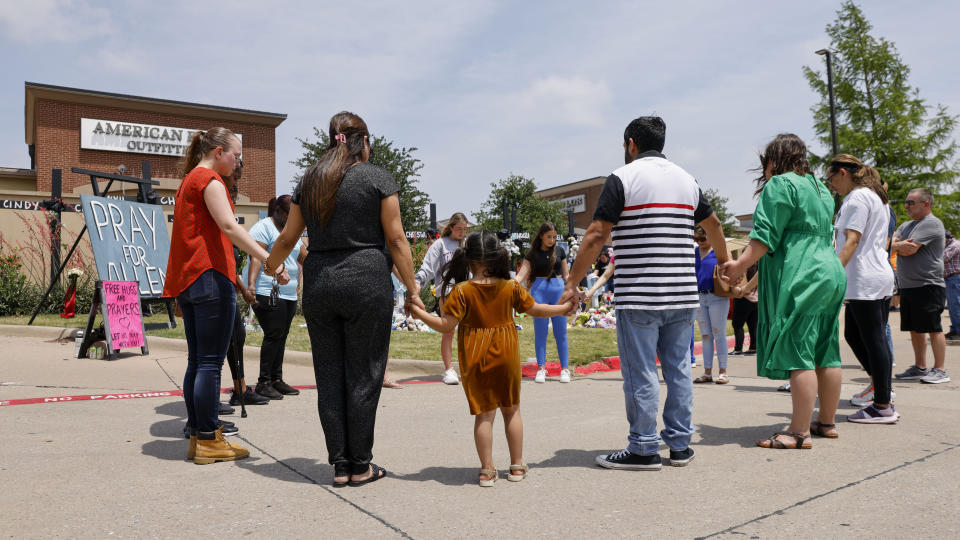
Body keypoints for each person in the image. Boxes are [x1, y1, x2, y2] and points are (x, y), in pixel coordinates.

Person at [561, 115, 729, 470]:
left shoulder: (622, 178)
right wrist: (726, 264)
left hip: (639, 295)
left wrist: (572, 283)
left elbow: (594, 234)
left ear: (631, 144)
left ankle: (643, 447)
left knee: (642, 373)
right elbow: (713, 224)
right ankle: (680, 445)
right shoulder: (688, 180)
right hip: (682, 295)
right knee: (679, 370)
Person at [265, 111, 421, 487]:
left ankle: (339, 464)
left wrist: (272, 268)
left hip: (320, 283)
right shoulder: (378, 177)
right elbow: (397, 239)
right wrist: (413, 290)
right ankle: (361, 465)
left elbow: (287, 239)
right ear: (362, 141)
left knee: (330, 374)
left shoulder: (311, 180)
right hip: (367, 280)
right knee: (364, 373)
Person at [406, 230, 573, 486]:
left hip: (475, 354)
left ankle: (487, 471)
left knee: (484, 414)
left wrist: (419, 314)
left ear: (468, 259)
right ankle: (516, 467)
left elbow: (444, 325)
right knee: (511, 409)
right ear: (498, 256)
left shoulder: (461, 292)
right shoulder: (510, 287)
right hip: (506, 352)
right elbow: (536, 309)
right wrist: (562, 309)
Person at [162, 127, 285, 465]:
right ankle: (208, 438)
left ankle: (202, 436)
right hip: (210, 279)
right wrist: (269, 260)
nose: (238, 161)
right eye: (236, 154)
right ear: (218, 151)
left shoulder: (190, 180)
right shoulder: (210, 181)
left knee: (197, 362)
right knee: (209, 364)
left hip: (192, 281)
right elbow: (230, 228)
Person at [720, 134, 845, 450]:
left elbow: (764, 237)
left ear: (773, 160)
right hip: (829, 271)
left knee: (797, 349)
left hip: (801, 274)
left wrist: (738, 266)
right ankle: (826, 422)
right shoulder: (821, 189)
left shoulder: (780, 185)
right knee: (826, 349)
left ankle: (798, 432)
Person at [826, 155, 897, 424]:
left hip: (865, 276)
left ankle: (882, 404)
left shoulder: (856, 198)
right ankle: (880, 389)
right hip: (875, 274)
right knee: (856, 334)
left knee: (873, 339)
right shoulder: (876, 196)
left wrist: (833, 272)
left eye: (832, 179)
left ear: (843, 172)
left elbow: (852, 240)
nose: (832, 186)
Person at [247, 194, 307, 400]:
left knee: (281, 336)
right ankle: (263, 382)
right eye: (289, 216)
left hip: (289, 293)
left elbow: (304, 255)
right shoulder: (263, 227)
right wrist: (251, 286)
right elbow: (256, 256)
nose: (292, 221)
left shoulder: (293, 232)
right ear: (278, 212)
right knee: (273, 334)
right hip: (267, 290)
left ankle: (276, 380)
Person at [891, 188, 949, 384]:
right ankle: (920, 367)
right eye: (906, 202)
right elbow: (890, 241)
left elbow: (908, 250)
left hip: (928, 284)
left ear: (926, 204)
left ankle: (940, 370)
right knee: (915, 329)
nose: (906, 206)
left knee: (933, 327)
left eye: (910, 203)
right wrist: (895, 244)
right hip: (909, 286)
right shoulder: (907, 225)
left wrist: (894, 245)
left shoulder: (931, 223)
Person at [414, 213, 469, 385]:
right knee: (448, 331)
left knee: (470, 331)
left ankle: (469, 367)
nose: (462, 232)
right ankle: (448, 369)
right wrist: (418, 282)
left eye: (465, 229)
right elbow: (428, 267)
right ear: (451, 227)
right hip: (448, 293)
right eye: (459, 229)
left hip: (469, 292)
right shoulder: (440, 244)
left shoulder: (467, 245)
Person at [515, 222, 571, 383]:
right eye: (548, 236)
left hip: (558, 291)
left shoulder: (560, 251)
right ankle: (541, 368)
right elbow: (521, 276)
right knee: (540, 332)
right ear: (541, 236)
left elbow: (567, 276)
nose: (552, 240)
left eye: (554, 237)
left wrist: (576, 290)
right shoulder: (531, 253)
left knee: (561, 333)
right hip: (539, 291)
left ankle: (565, 369)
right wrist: (510, 285)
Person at [692, 227, 730, 384]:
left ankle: (723, 372)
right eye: (697, 239)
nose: (699, 242)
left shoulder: (719, 251)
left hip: (717, 296)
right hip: (700, 296)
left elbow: (730, 268)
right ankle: (707, 372)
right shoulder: (695, 252)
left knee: (718, 333)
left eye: (702, 239)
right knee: (706, 335)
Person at [731, 263, 758, 356]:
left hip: (742, 298)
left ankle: (738, 349)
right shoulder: (758, 270)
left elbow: (736, 283)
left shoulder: (742, 269)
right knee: (753, 325)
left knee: (737, 324)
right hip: (756, 300)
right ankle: (753, 348)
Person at [943, 230, 959, 342]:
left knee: (956, 305)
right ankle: (955, 329)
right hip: (951, 278)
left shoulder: (954, 245)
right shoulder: (949, 245)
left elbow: (942, 258)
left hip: (955, 278)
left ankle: (958, 331)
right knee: (952, 306)